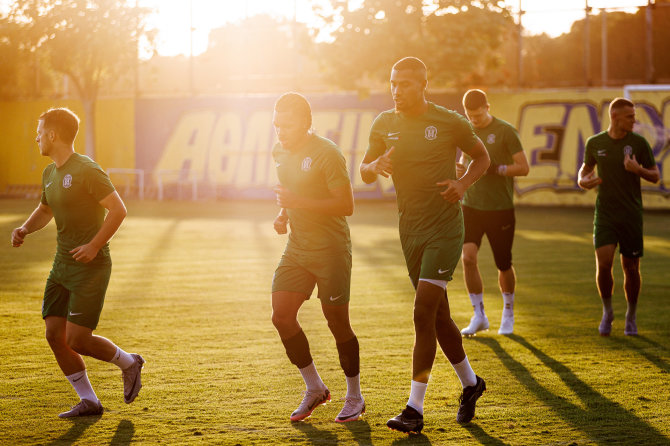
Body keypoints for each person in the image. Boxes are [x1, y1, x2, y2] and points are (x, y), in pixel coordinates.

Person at [360, 57, 489, 434]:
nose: (397, 90)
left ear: (423, 85)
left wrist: (462, 185)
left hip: (445, 229)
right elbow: (365, 172)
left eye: (404, 84)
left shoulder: (450, 121)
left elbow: (482, 157)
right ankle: (471, 384)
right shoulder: (384, 123)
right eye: (393, 83)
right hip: (410, 231)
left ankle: (414, 409)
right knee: (438, 316)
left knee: (422, 312)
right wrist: (376, 165)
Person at [10, 108, 144, 418]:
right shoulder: (49, 173)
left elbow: (118, 209)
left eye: (40, 131)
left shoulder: (86, 169)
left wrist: (95, 245)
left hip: (91, 267)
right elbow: (45, 210)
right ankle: (90, 401)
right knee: (54, 334)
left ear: (53, 135)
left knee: (77, 339)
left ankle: (129, 363)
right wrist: (25, 229)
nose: (37, 137)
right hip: (62, 266)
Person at [270, 92, 364, 423]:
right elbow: (290, 195)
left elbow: (346, 205)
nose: (280, 132)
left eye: (287, 125)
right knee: (281, 317)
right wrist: (284, 213)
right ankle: (315, 389)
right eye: (276, 125)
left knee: (337, 323)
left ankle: (354, 396)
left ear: (307, 123)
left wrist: (296, 201)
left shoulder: (328, 153)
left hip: (331, 250)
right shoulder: (279, 151)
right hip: (298, 249)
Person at [578, 97, 659, 336]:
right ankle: (607, 311)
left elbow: (655, 175)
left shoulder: (639, 144)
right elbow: (585, 168)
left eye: (634, 116)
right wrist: (582, 180)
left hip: (631, 214)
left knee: (631, 268)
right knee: (603, 264)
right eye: (630, 117)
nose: (635, 120)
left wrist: (639, 170)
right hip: (605, 214)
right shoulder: (595, 143)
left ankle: (631, 315)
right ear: (615, 118)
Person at [457, 89, 529, 336]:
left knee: (503, 263)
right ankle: (479, 315)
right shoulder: (466, 131)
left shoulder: (506, 131)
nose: (474, 120)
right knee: (467, 257)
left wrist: (495, 168)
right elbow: (465, 165)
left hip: (500, 208)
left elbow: (523, 167)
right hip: (471, 205)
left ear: (488, 107)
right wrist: (459, 170)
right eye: (470, 115)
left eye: (477, 115)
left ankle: (508, 312)